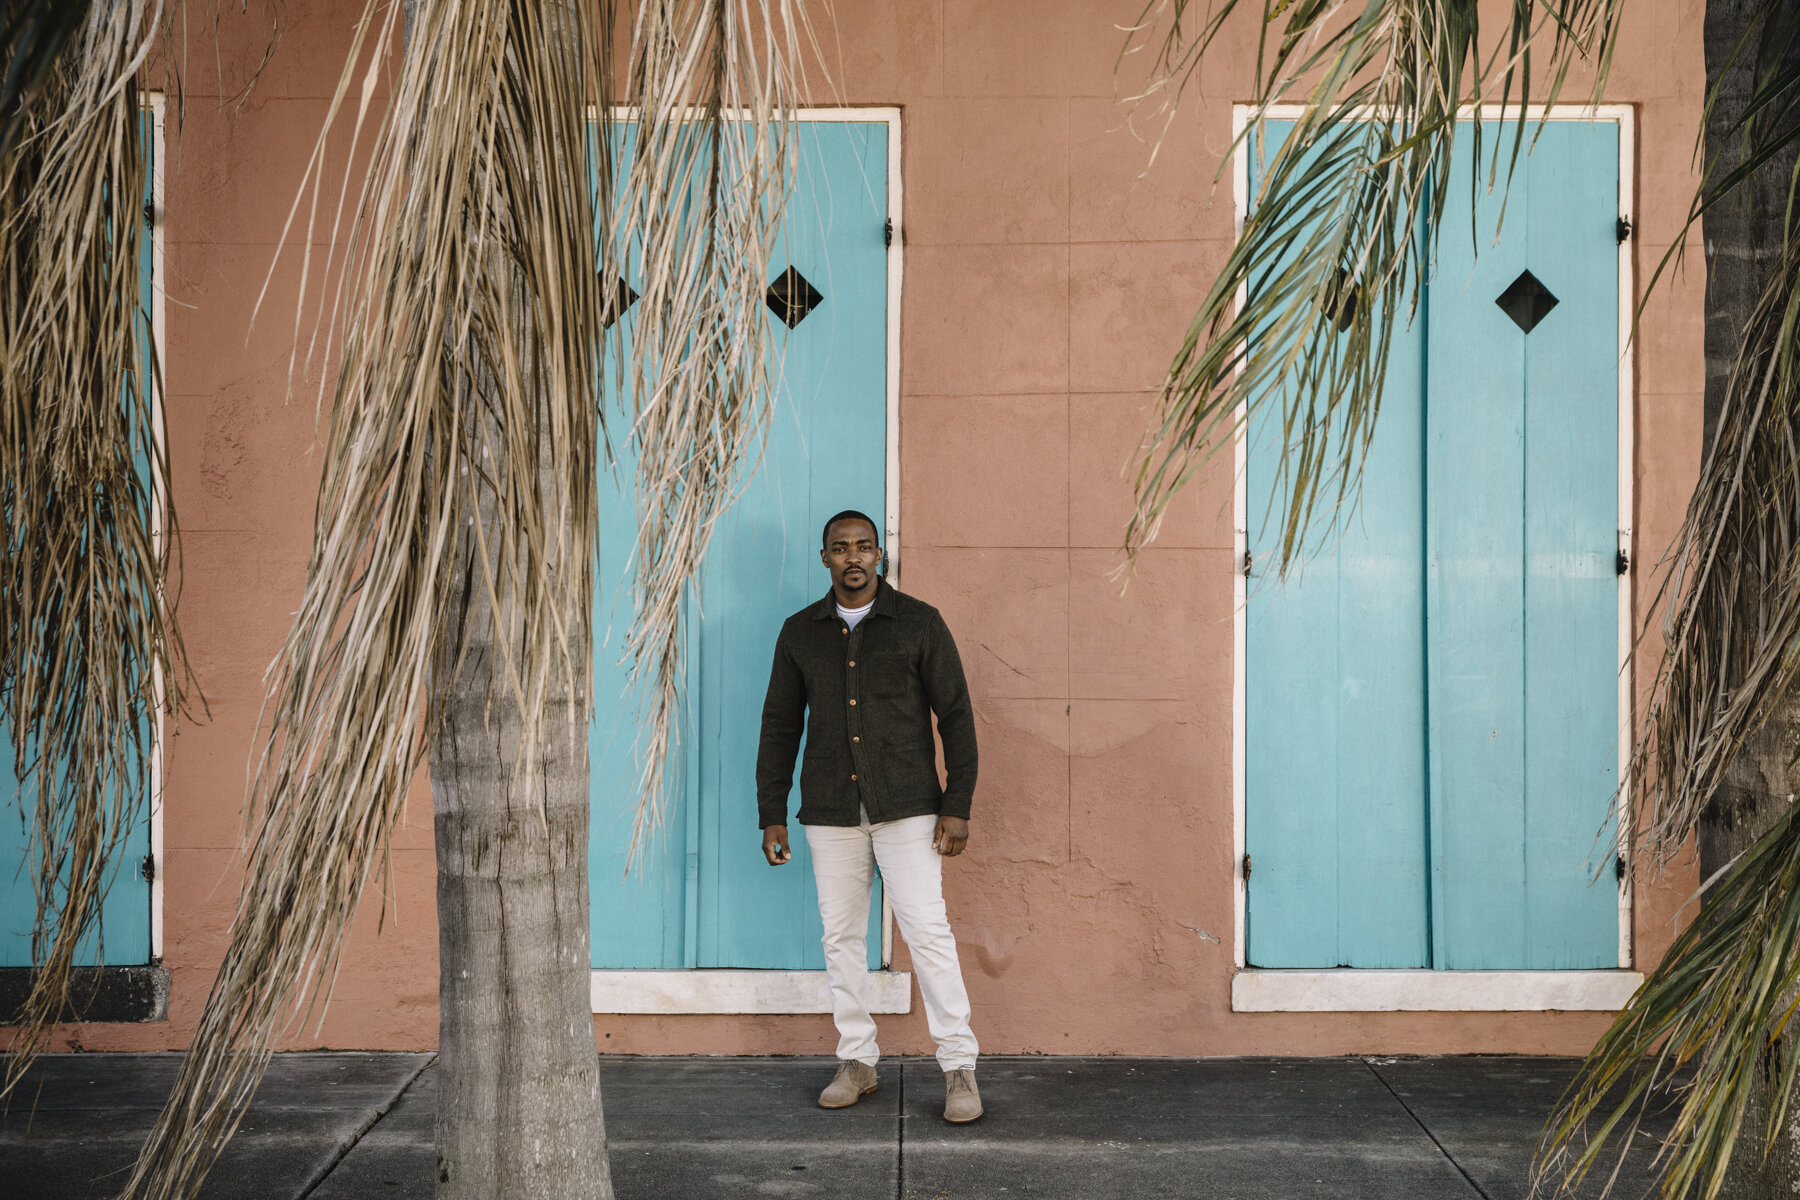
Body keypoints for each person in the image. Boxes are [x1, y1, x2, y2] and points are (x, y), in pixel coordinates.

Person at [755, 509, 983, 1123]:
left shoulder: (919, 624)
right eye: (839, 548)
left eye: (863, 546)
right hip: (830, 811)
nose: (852, 557)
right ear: (824, 557)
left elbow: (956, 717)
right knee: (841, 938)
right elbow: (780, 725)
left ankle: (959, 1067)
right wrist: (770, 812)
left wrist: (956, 805)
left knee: (927, 933)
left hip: (908, 806)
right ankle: (857, 1059)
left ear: (879, 554)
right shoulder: (800, 633)